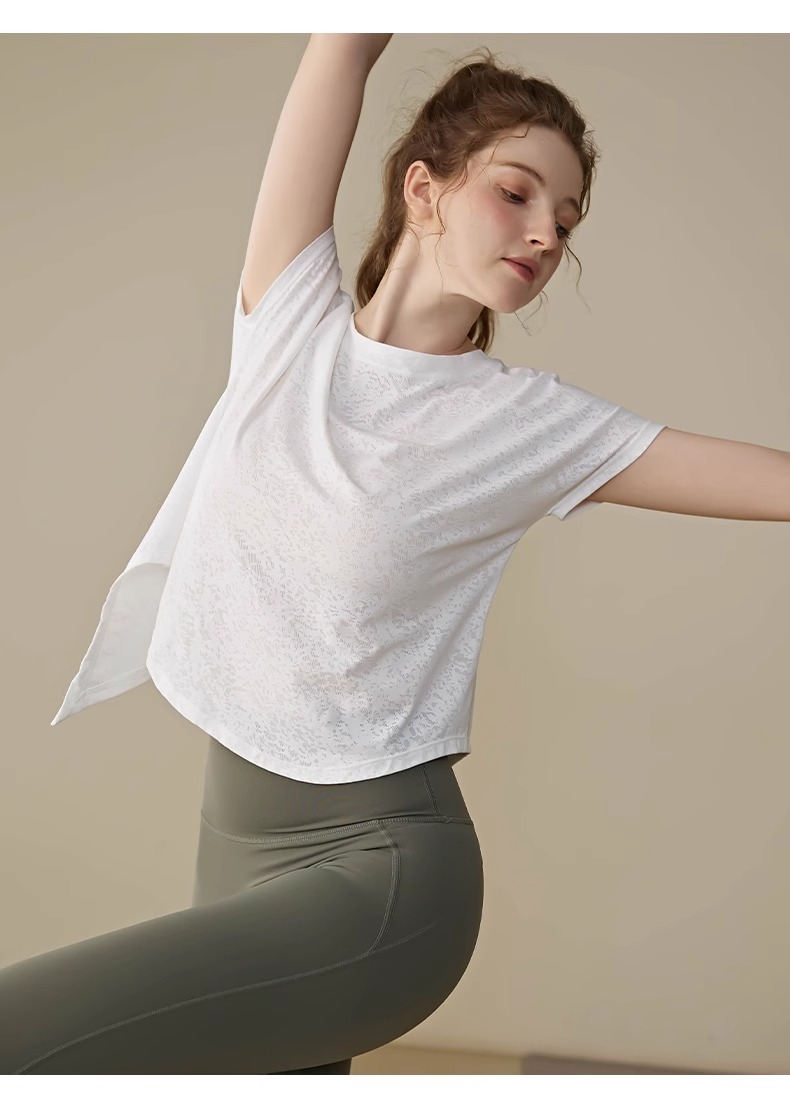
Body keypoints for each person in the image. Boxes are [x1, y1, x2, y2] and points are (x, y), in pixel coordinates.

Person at [2, 33, 671, 1074]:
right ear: (423, 190)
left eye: (567, 219)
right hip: (235, 845)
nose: (547, 233)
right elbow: (340, 47)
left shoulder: (524, 423)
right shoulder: (289, 326)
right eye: (517, 193)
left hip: (382, 877)